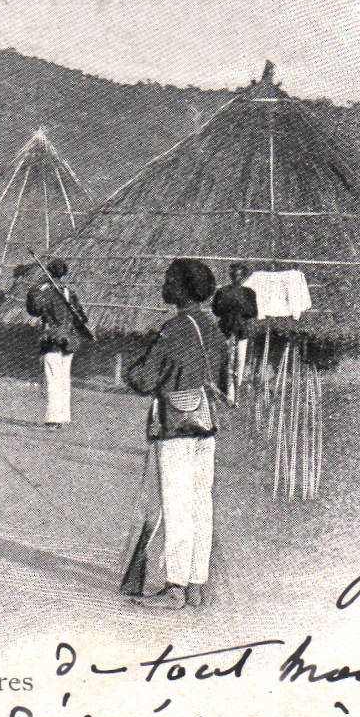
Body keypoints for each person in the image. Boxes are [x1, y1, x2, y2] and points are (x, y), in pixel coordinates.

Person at [121, 258, 228, 610]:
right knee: (201, 503)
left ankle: (175, 587)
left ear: (183, 288)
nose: (164, 284)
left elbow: (144, 379)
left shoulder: (174, 330)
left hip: (175, 426)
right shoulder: (211, 327)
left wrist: (136, 366)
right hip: (205, 423)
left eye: (170, 279)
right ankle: (197, 583)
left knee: (176, 503)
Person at [25, 258, 89, 429]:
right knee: (63, 378)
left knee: (53, 378)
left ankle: (53, 419)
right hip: (69, 339)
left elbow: (34, 309)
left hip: (52, 338)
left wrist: (38, 288)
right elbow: (82, 317)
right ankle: (62, 417)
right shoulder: (70, 293)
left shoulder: (46, 291)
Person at [211, 262, 260, 399]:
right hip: (241, 329)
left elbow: (216, 310)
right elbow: (253, 312)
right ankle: (234, 390)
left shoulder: (222, 292)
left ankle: (226, 389)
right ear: (243, 277)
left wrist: (229, 311)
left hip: (226, 328)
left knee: (225, 359)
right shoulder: (249, 293)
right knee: (239, 360)